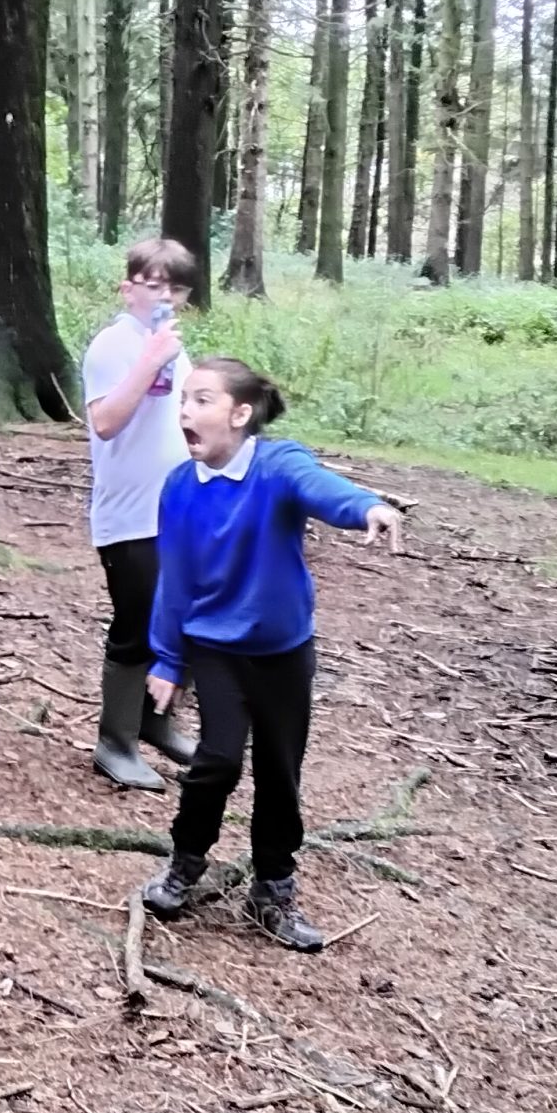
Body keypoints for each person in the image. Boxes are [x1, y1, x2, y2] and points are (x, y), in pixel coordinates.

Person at [140, 358, 404, 953]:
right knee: (218, 761)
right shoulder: (179, 488)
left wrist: (368, 507)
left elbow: (322, 490)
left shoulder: (277, 465)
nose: (186, 411)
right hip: (215, 647)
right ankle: (185, 863)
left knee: (279, 772)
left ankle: (273, 889)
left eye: (202, 400)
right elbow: (175, 581)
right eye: (184, 400)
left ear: (239, 414)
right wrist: (168, 661)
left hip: (283, 651)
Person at [83, 237, 198, 790]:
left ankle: (156, 720)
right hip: (129, 516)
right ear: (128, 288)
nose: (162, 296)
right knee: (136, 624)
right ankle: (115, 742)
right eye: (151, 284)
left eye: (173, 287)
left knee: (182, 618)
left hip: (177, 510)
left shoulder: (174, 348)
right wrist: (150, 360)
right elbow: (105, 422)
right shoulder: (113, 345)